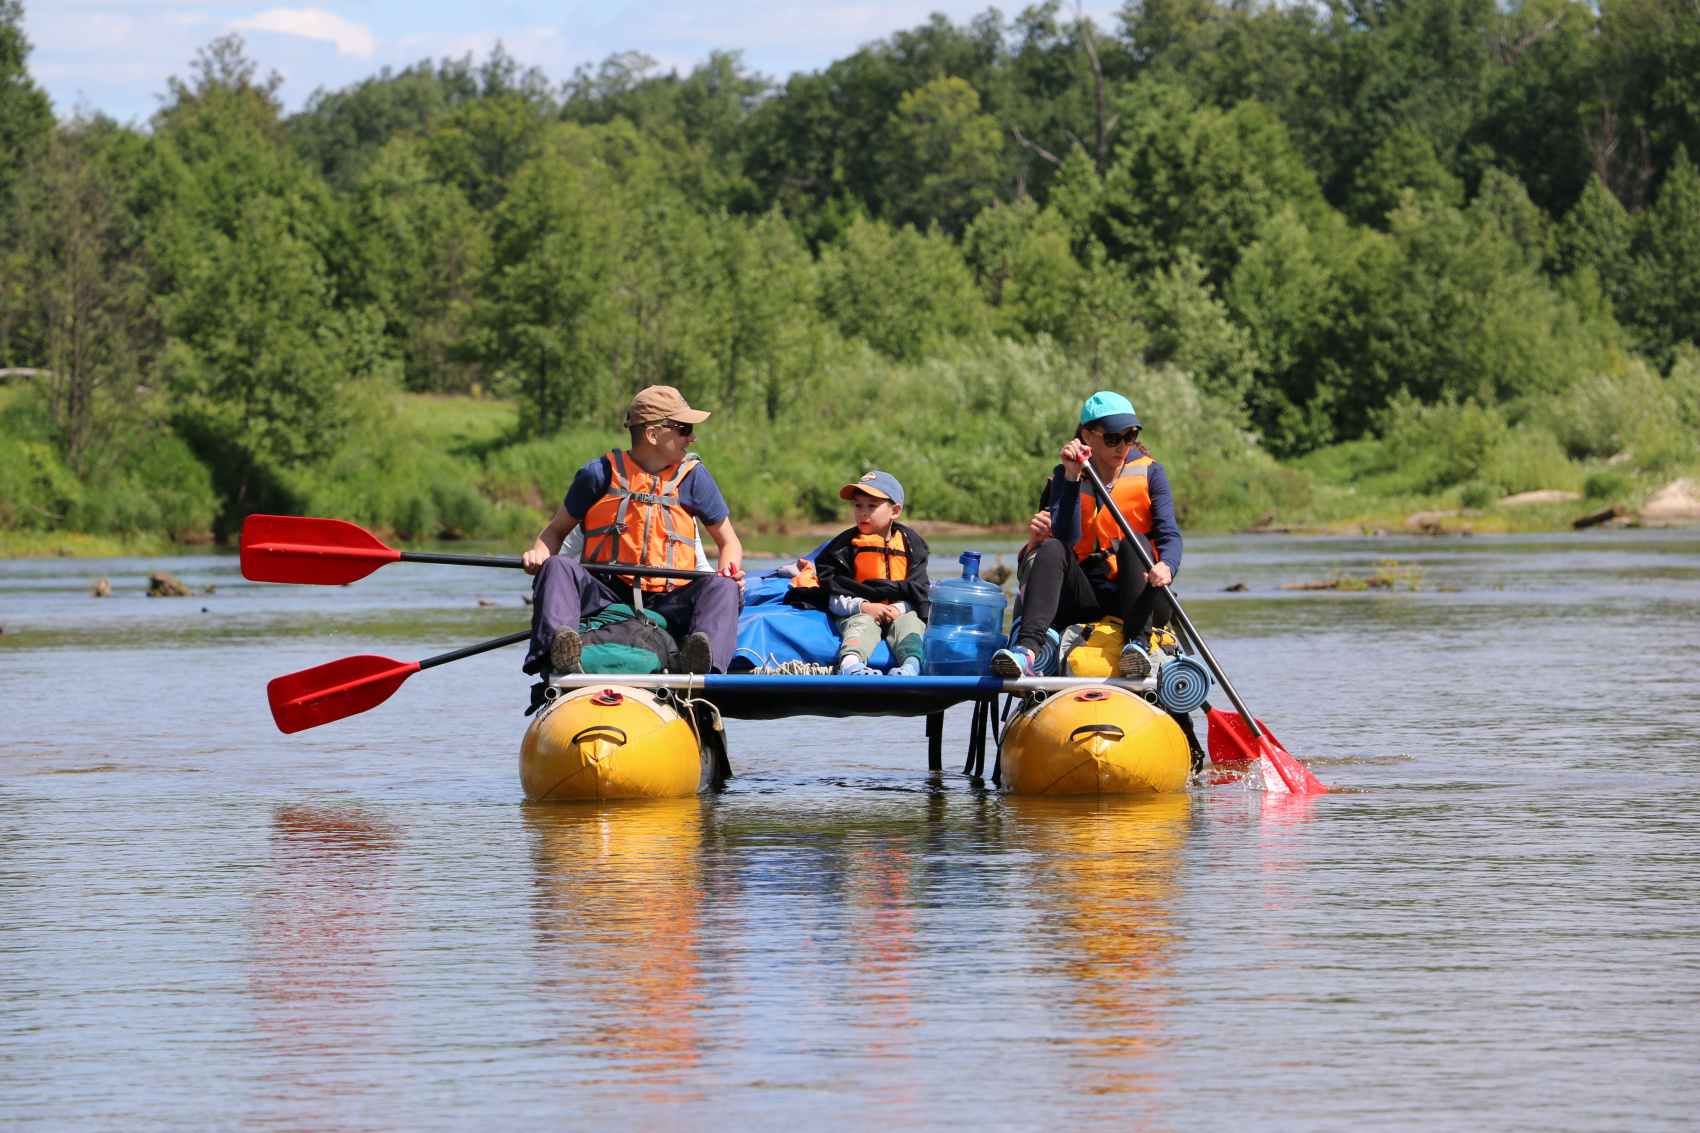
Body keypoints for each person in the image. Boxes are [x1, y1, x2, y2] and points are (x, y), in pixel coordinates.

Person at [522, 385, 744, 676]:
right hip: (605, 595)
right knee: (557, 565)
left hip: (670, 599)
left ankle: (704, 666)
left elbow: (730, 542)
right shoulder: (598, 474)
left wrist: (729, 570)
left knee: (725, 587)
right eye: (683, 428)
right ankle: (559, 651)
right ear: (652, 434)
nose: (692, 437)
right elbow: (554, 532)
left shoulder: (694, 479)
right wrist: (539, 553)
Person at [992, 391, 1181, 680]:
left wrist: (1167, 565)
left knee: (1137, 541)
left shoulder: (1151, 473)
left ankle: (1137, 646)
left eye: (1129, 436)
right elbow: (1066, 536)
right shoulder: (1066, 475)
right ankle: (1026, 651)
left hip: (1141, 597)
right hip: (1084, 600)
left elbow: (1170, 536)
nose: (1122, 445)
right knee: (1053, 547)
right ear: (1088, 436)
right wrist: (1071, 476)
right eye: (1112, 438)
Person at [783, 471, 930, 676]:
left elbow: (919, 592)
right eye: (858, 505)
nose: (862, 512)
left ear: (895, 511)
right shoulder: (841, 550)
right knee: (862, 622)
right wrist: (865, 607)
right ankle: (851, 665)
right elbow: (833, 596)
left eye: (871, 505)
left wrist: (898, 608)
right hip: (859, 610)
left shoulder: (913, 547)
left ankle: (910, 667)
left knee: (911, 622)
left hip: (899, 610)